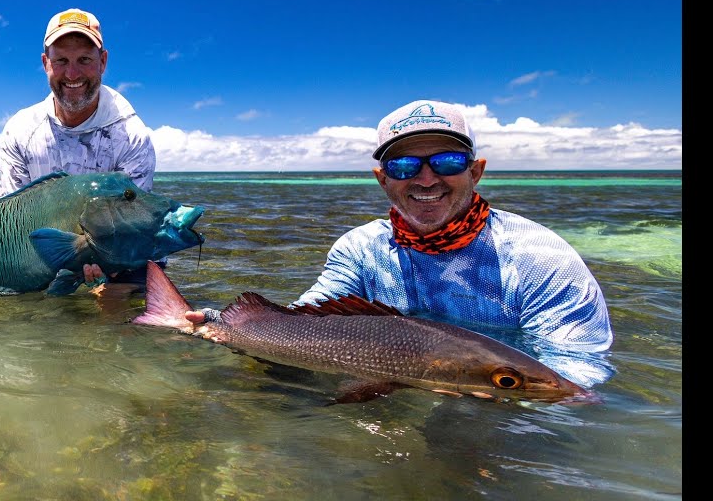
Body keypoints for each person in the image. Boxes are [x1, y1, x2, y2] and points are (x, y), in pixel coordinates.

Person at [187, 99, 614, 386]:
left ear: (476, 171)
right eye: (405, 165)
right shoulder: (360, 248)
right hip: (391, 380)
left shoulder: (543, 259)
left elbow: (578, 372)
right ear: (383, 178)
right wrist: (214, 321)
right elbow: (307, 321)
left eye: (447, 162)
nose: (426, 179)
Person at [0, 7, 158, 287]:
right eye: (61, 60)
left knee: (120, 308)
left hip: (111, 263)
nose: (72, 73)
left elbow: (136, 227)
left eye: (84, 59)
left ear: (103, 62)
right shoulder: (20, 130)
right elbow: (5, 220)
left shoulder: (132, 136)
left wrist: (107, 271)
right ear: (45, 63)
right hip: (37, 261)